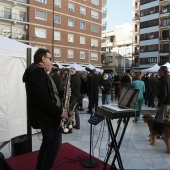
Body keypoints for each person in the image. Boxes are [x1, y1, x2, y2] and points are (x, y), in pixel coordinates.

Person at [22, 48, 67, 170]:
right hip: (49, 118)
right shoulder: (37, 72)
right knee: (53, 147)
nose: (51, 62)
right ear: (43, 59)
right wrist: (59, 112)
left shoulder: (36, 72)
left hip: (46, 117)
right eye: (50, 59)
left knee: (47, 144)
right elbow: (43, 99)